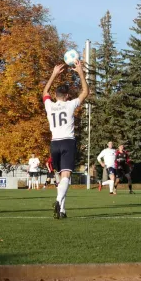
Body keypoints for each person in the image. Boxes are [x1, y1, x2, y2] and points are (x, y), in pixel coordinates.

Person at [43, 60, 88, 219]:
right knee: (66, 177)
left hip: (54, 143)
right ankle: (57, 201)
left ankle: (62, 210)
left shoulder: (49, 105)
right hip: (68, 142)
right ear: (67, 96)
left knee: (61, 178)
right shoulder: (70, 105)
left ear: (55, 95)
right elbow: (85, 92)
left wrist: (54, 74)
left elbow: (44, 92)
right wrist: (81, 73)